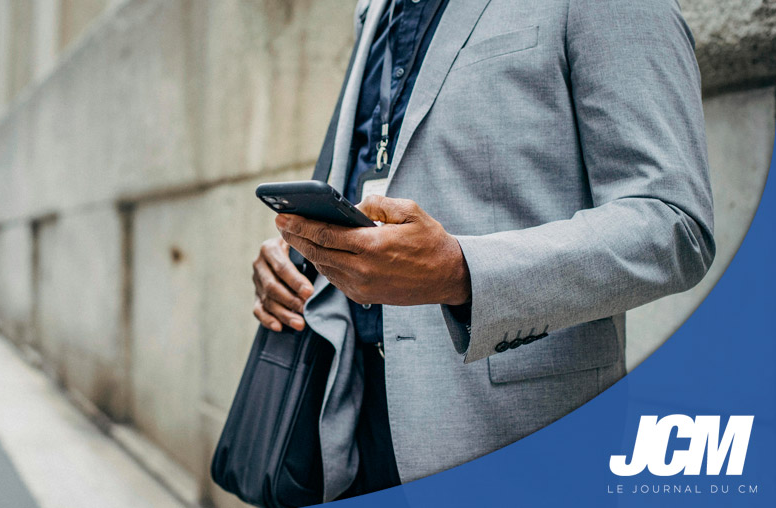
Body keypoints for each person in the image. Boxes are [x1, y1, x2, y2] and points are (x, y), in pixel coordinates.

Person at [251, 0, 714, 501]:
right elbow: (382, 175)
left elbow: (673, 222)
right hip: (349, 426)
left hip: (510, 439)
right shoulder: (375, 10)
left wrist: (462, 272)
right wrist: (303, 256)